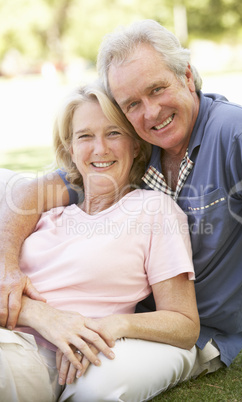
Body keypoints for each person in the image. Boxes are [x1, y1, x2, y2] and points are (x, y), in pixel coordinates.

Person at [1, 17, 242, 382]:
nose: (151, 112)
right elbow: (37, 191)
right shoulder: (139, 148)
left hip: (194, 333)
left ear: (187, 76)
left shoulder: (238, 134)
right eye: (132, 104)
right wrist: (7, 269)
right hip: (126, 315)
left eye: (157, 89)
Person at [0, 83, 200, 401]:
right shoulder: (47, 212)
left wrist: (112, 325)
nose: (100, 149)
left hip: (34, 357)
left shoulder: (154, 211)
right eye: (85, 136)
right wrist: (41, 315)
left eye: (113, 133)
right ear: (69, 149)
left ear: (135, 145)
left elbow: (185, 324)